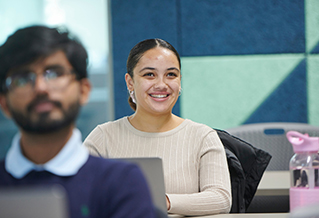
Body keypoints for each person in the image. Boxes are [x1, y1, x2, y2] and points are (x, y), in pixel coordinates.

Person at [0, 26, 156, 218]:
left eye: (55, 73)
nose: (40, 88)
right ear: (4, 103)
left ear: (83, 90)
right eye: (23, 78)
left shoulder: (122, 183)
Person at [84, 38, 232, 216]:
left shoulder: (202, 136)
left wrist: (163, 201)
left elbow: (221, 199)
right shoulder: (103, 137)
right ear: (130, 82)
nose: (162, 85)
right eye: (149, 75)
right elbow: (80, 196)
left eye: (171, 74)